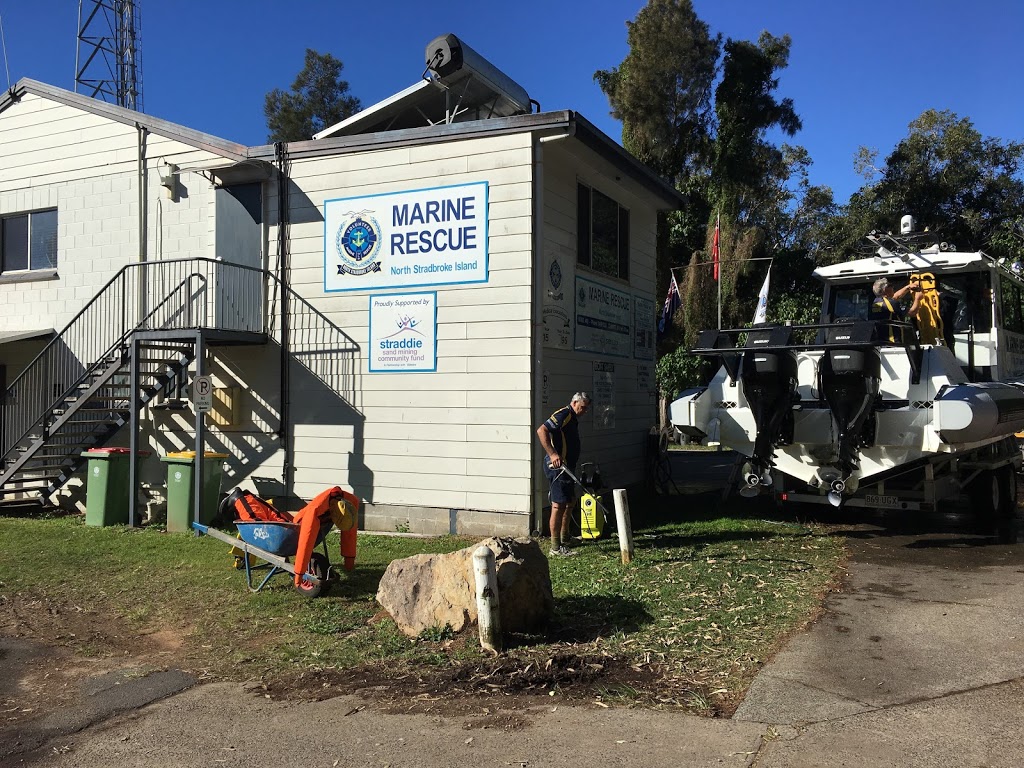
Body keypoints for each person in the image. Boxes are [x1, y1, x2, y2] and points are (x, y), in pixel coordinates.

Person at [536, 392, 591, 556]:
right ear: (574, 403)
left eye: (586, 408)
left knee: (570, 501)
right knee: (558, 505)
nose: (584, 411)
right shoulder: (564, 414)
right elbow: (542, 430)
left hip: (568, 467)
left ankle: (565, 537)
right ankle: (555, 547)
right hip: (558, 469)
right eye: (582, 407)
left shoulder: (572, 418)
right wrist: (553, 454)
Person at [869, 277, 921, 342]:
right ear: (885, 289)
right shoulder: (891, 303)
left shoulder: (875, 302)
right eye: (890, 285)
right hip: (894, 342)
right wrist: (918, 298)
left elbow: (894, 298)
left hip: (881, 342)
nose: (893, 287)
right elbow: (912, 312)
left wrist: (908, 287)